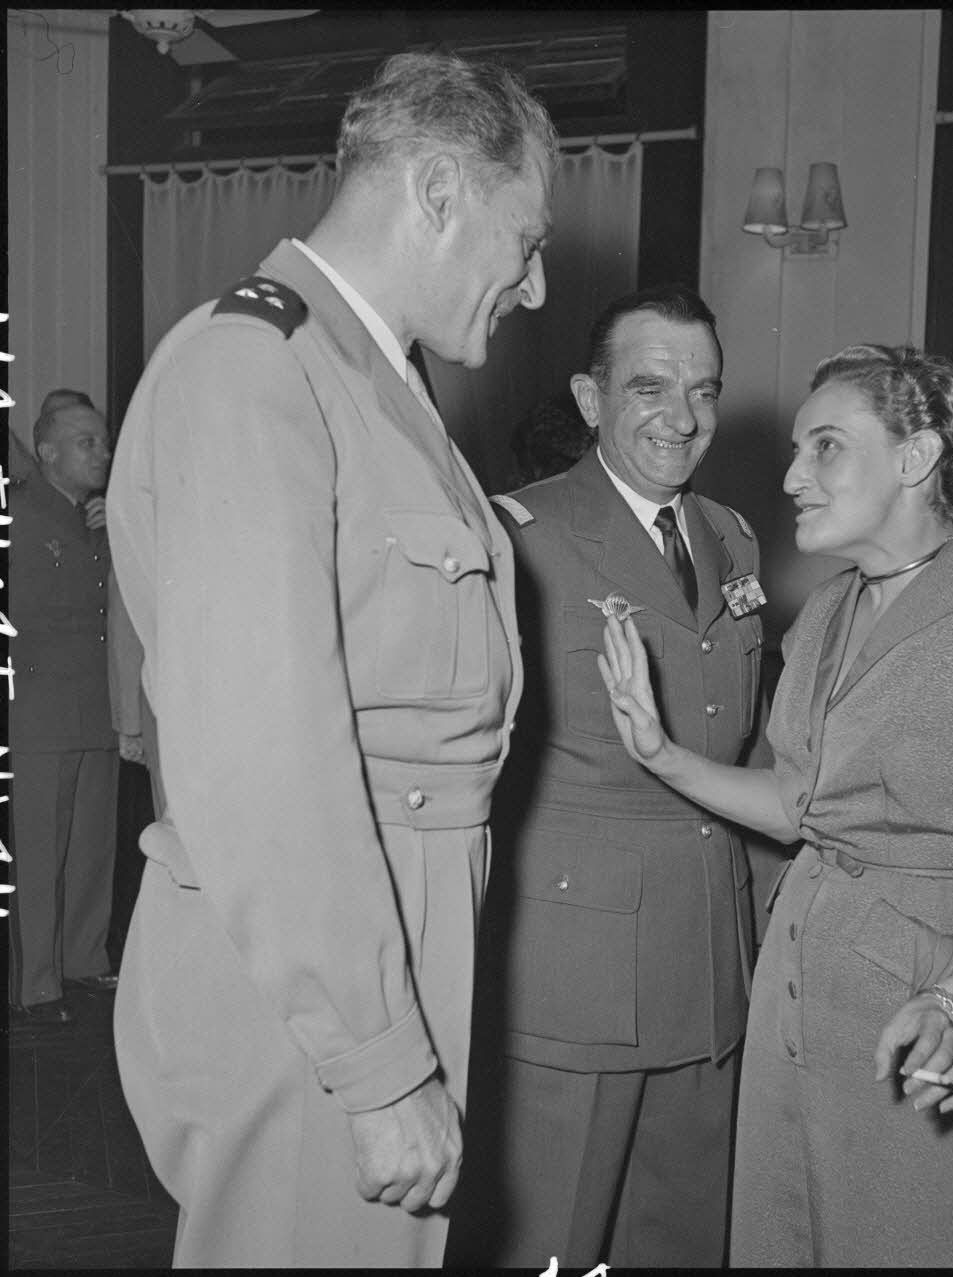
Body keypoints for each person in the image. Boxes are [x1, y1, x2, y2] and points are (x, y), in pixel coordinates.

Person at [106, 51, 556, 1268]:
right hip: (309, 976)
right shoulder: (253, 368)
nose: (533, 282)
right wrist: (374, 1055)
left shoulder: (372, 384)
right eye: (523, 239)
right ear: (439, 191)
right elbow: (262, 754)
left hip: (387, 931)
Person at [599, 343, 953, 1267]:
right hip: (802, 970)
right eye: (799, 449)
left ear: (917, 459)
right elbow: (799, 800)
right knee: (777, 1238)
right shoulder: (829, 611)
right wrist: (662, 753)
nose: (793, 475)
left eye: (827, 447)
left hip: (929, 991)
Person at [456, 285, 772, 1267]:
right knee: (556, 1246)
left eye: (704, 389)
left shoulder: (733, 536)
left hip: (711, 959)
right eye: (649, 386)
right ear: (590, 399)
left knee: (680, 1241)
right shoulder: (518, 537)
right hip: (575, 972)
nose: (682, 416)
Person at [7, 392, 120, 1024]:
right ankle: (37, 983)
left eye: (104, 442)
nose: (102, 452)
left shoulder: (106, 517)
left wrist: (119, 530)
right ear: (48, 453)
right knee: (41, 849)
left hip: (98, 707)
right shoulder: (20, 516)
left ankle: (83, 957)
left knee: (91, 847)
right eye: (88, 443)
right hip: (40, 709)